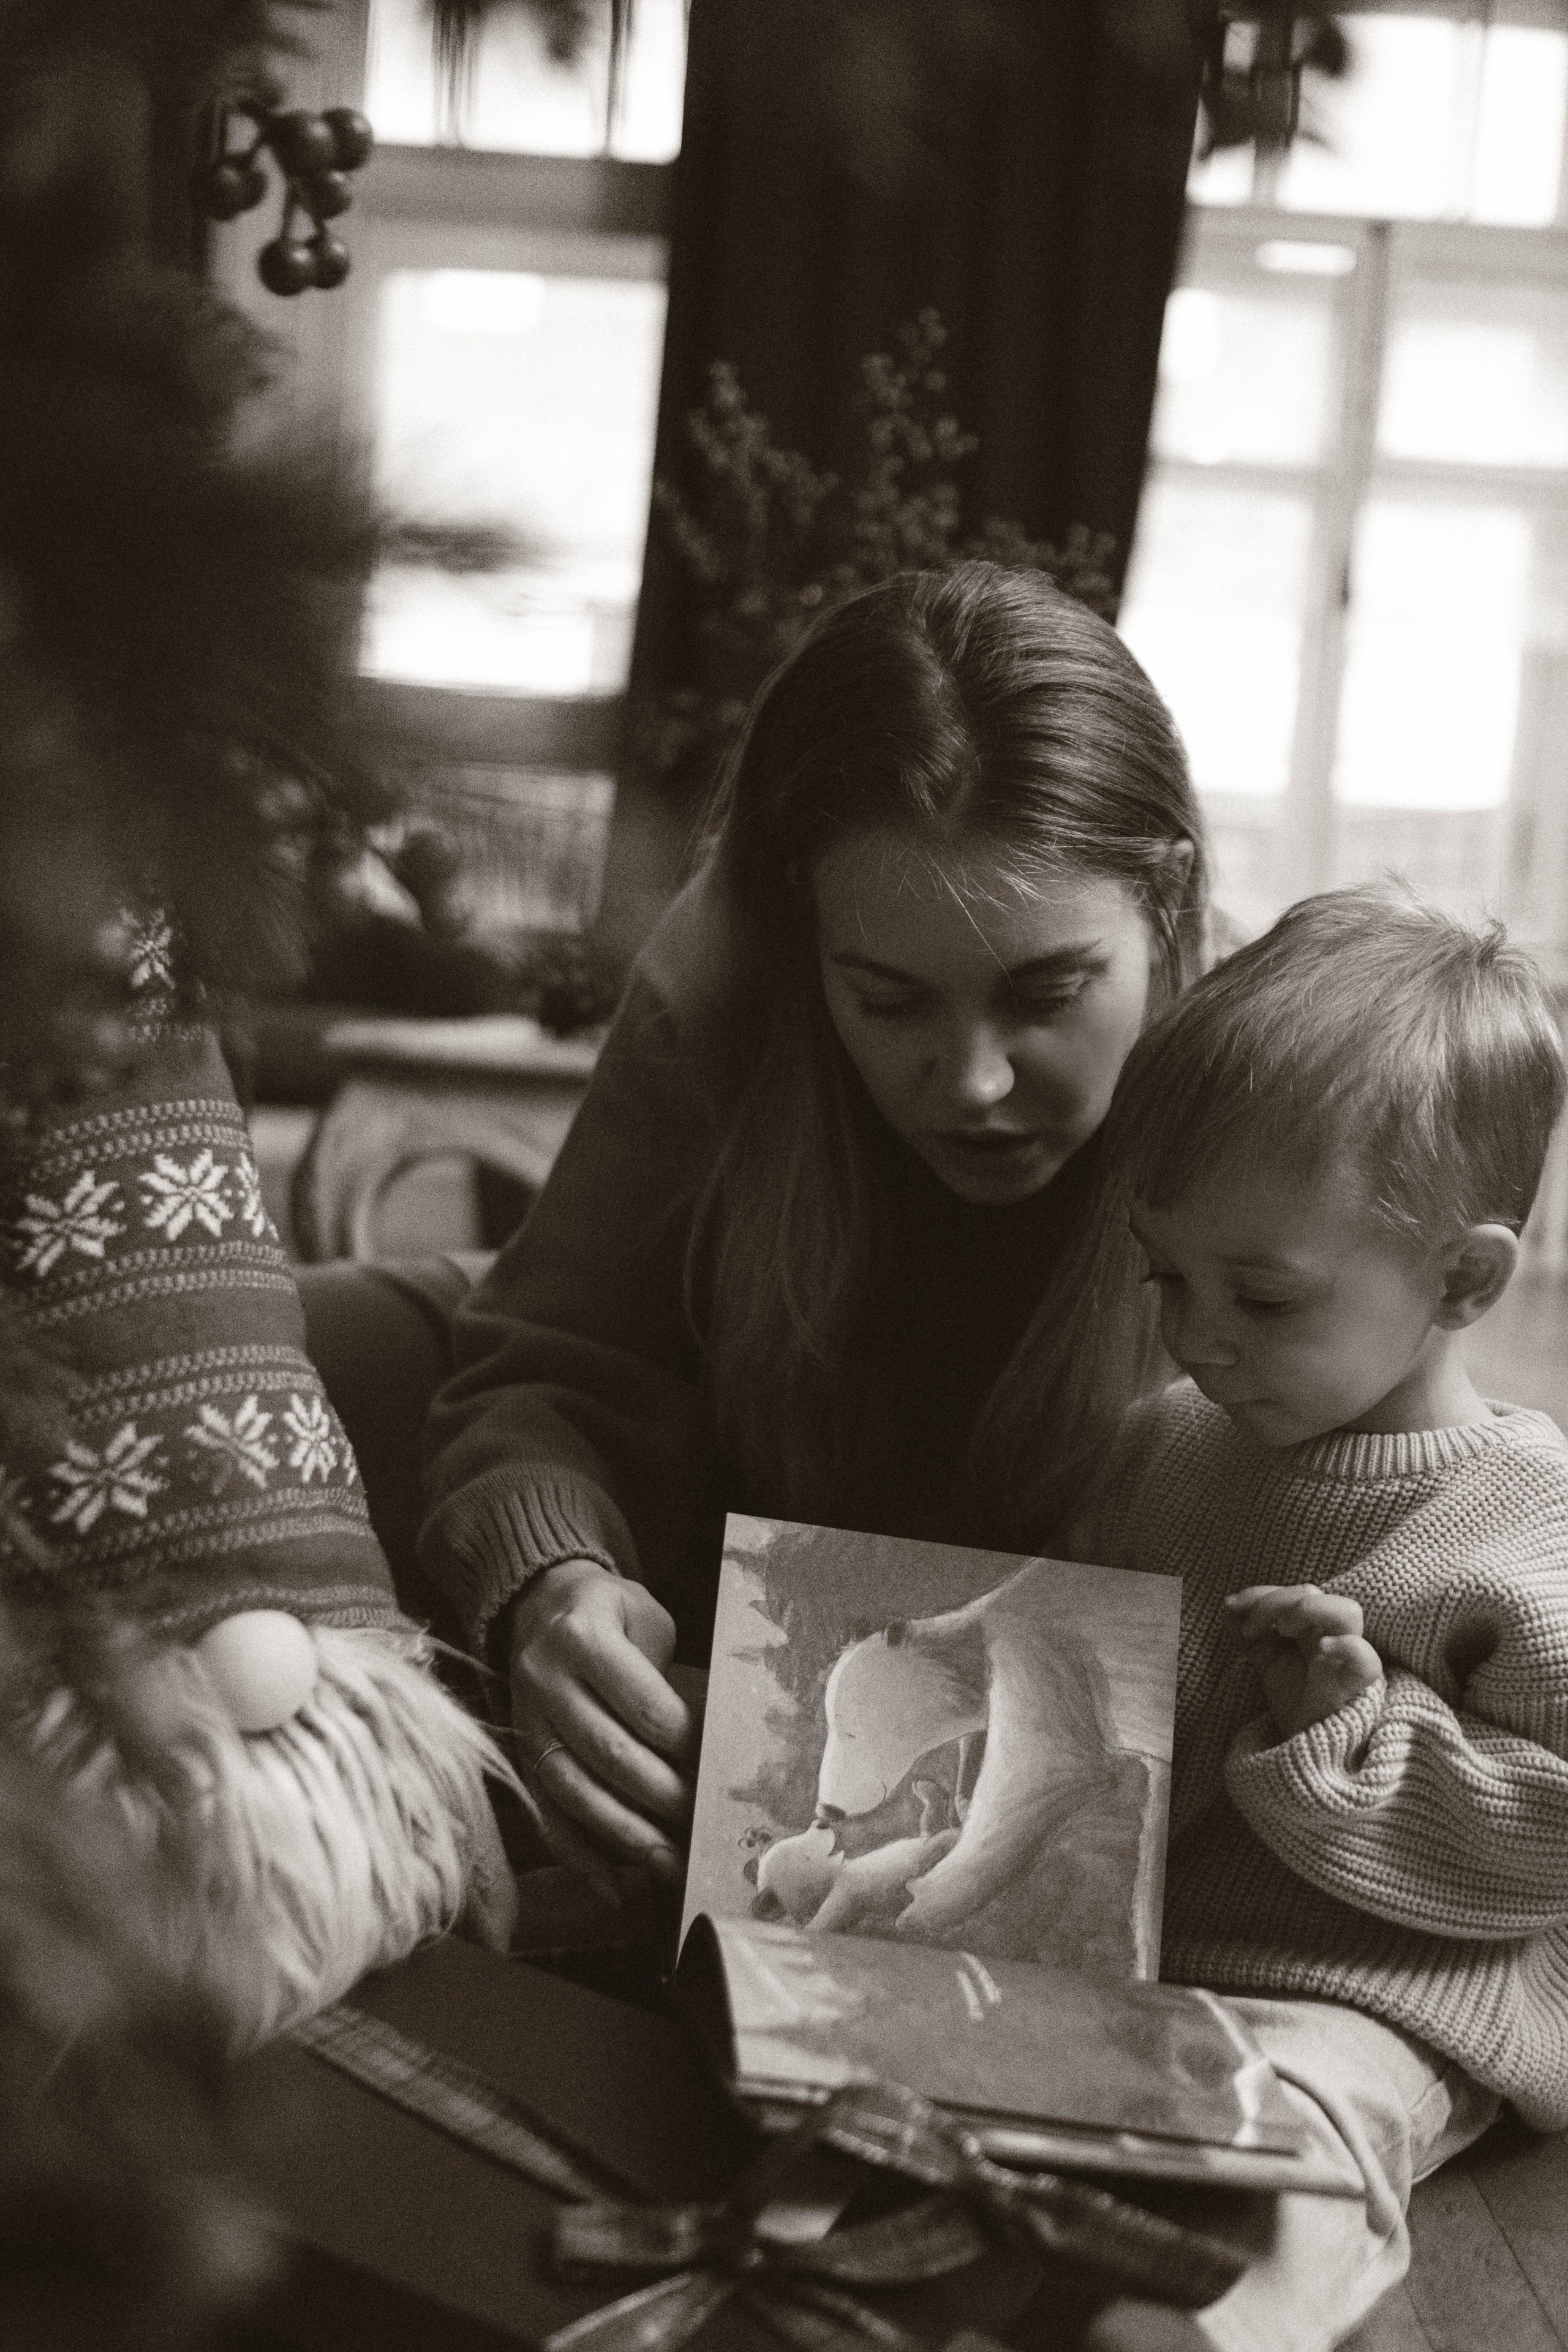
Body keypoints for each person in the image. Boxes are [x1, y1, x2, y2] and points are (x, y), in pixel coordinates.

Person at [419, 562, 1211, 1890]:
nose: (969, 1084)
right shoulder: (718, 1008)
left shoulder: (1267, 1089)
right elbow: (544, 1367)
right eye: (888, 1001)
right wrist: (552, 1580)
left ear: (1170, 903)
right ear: (804, 939)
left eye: (1046, 993)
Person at [1066, 886, 1568, 2352]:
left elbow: (1551, 1842)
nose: (1193, 1333)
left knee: (1296, 2127)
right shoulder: (1159, 1445)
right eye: (1165, 1275)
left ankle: (1214, 2327)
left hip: (1372, 1999)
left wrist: (1353, 1729)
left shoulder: (1524, 1523)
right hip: (1140, 1966)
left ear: (1461, 1279)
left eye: (1261, 1297)